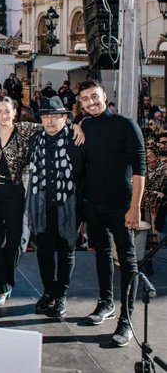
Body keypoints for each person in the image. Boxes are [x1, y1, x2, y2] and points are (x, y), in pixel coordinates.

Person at [78, 80, 145, 347]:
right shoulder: (85, 125)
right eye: (85, 99)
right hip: (94, 204)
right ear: (80, 103)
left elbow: (141, 168)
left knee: (128, 262)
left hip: (122, 205)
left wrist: (135, 207)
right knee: (102, 254)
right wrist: (75, 125)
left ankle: (126, 319)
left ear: (105, 95)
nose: (91, 102)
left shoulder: (126, 124)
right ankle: (106, 303)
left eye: (94, 96)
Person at [0, 97, 45, 305]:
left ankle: (8, 279)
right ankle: (1, 287)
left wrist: (78, 127)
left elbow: (53, 123)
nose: (3, 115)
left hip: (14, 190)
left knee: (16, 239)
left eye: (7, 111)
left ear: (14, 112)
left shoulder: (25, 130)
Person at [26, 96, 84, 318]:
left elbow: (84, 172)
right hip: (42, 206)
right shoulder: (35, 140)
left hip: (69, 206)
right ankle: (48, 291)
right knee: (44, 252)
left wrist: (81, 125)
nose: (49, 121)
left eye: (54, 116)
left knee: (66, 252)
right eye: (45, 117)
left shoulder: (75, 139)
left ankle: (61, 294)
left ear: (64, 118)